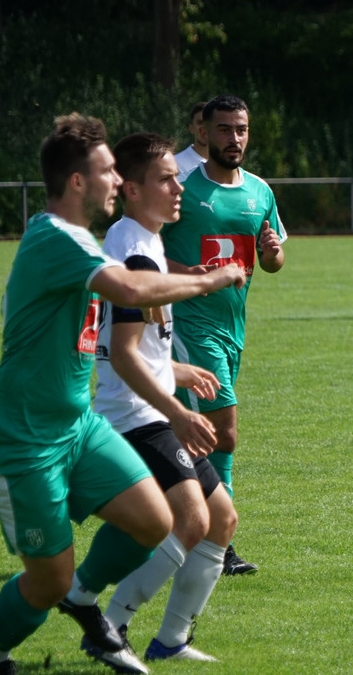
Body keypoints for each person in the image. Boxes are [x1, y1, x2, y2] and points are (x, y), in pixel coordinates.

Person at [0, 114, 245, 675]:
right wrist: (211, 279)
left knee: (156, 520)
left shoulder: (83, 242)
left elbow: (107, 334)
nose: (117, 180)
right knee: (50, 579)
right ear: (77, 181)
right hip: (24, 434)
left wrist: (173, 372)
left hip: (78, 426)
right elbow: (131, 291)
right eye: (108, 171)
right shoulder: (57, 239)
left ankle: (92, 608)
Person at [77, 132, 239, 671]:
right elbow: (124, 357)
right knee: (190, 519)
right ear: (131, 189)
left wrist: (177, 370)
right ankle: (110, 627)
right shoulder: (134, 252)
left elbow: (131, 349)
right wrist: (179, 411)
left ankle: (170, 640)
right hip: (135, 417)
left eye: (176, 177)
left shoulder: (140, 241)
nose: (178, 188)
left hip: (149, 407)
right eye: (166, 179)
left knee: (221, 520)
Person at [161, 94, 287, 576]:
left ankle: (185, 526)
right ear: (203, 133)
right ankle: (216, 541)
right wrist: (191, 275)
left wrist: (272, 253)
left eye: (241, 129)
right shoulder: (183, 189)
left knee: (202, 435)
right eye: (224, 129)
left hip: (233, 330)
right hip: (190, 327)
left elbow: (272, 262)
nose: (234, 138)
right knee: (224, 433)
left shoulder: (259, 191)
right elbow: (144, 253)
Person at [174, 101, 208, 181]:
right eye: (200, 123)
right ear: (191, 128)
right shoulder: (175, 164)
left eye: (208, 123)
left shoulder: (226, 163)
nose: (204, 128)